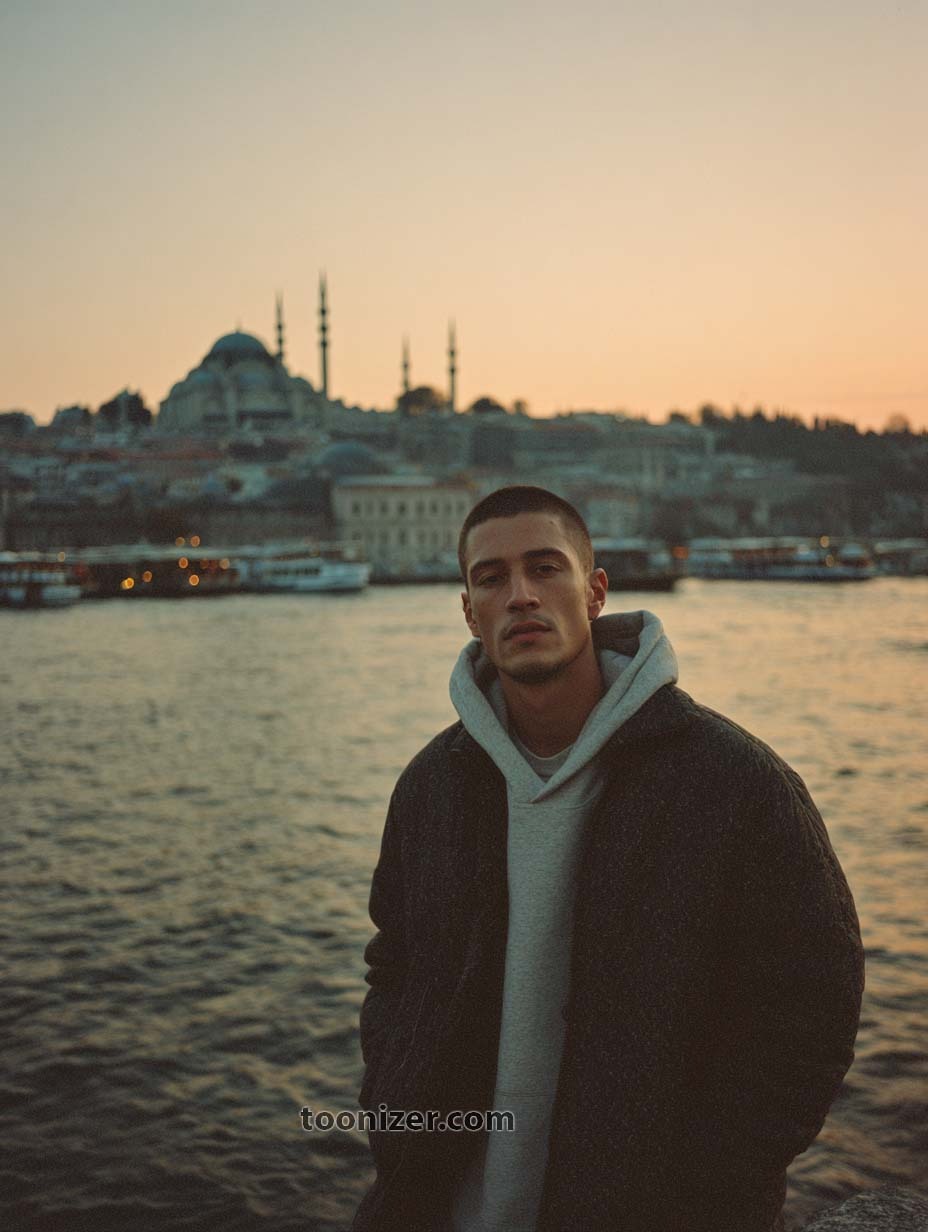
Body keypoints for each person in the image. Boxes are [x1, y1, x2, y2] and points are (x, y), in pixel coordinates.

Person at [352, 486, 864, 1232]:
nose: (521, 595)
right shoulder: (432, 786)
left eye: (545, 568)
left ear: (594, 591)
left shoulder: (731, 782)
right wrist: (394, 1106)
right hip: (438, 1205)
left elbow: (811, 1004)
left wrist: (705, 1186)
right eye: (492, 578)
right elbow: (395, 965)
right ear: (469, 611)